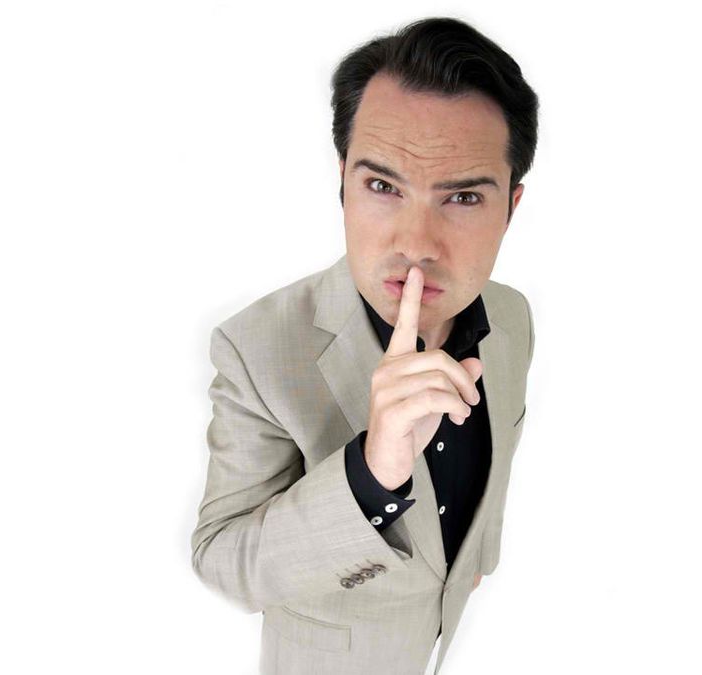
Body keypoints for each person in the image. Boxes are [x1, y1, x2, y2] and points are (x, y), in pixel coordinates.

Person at [190, 16, 538, 674]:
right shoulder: (255, 348)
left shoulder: (512, 317)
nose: (417, 244)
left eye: (464, 197)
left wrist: (477, 557)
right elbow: (222, 561)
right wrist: (371, 473)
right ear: (342, 181)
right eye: (382, 186)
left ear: (511, 208)